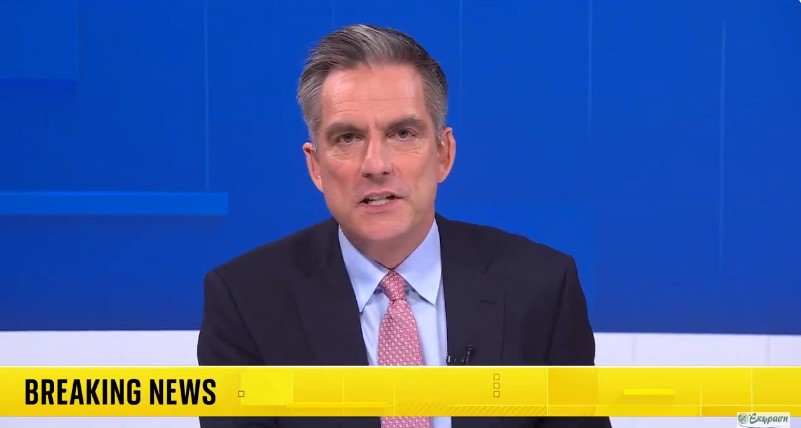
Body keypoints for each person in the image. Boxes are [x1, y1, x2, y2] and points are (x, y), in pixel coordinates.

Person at [197, 24, 611, 428]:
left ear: (444, 154)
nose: (376, 165)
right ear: (315, 165)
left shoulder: (541, 287)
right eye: (347, 138)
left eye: (403, 133)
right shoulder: (245, 302)